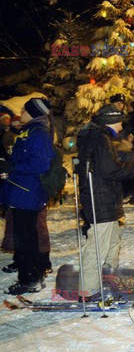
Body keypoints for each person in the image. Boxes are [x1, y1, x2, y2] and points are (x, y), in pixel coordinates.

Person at [76, 104, 134, 301]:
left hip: (105, 198)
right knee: (98, 246)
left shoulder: (99, 137)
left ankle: (106, 276)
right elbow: (110, 170)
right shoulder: (99, 139)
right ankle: (88, 290)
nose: (122, 124)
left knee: (113, 242)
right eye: (120, 120)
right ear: (111, 121)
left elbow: (103, 166)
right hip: (100, 199)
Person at [1, 98, 55, 294]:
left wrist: (12, 166)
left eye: (24, 109)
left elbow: (41, 164)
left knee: (26, 238)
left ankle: (30, 279)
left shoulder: (38, 133)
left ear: (33, 112)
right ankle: (32, 275)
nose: (21, 112)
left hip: (28, 193)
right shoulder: (29, 130)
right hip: (19, 192)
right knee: (24, 236)